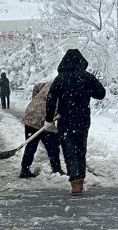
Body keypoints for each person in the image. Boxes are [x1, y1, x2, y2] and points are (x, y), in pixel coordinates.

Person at [45, 49, 106, 197]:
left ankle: (75, 182)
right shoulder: (87, 77)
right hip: (82, 120)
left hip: (65, 120)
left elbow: (50, 99)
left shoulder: (60, 79)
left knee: (69, 151)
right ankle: (80, 179)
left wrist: (48, 119)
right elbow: (101, 93)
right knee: (80, 150)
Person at [19, 78, 62, 178]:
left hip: (31, 113)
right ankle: (56, 169)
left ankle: (24, 169)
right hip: (45, 116)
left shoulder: (52, 82)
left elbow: (36, 86)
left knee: (31, 144)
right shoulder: (65, 87)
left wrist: (36, 101)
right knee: (53, 145)